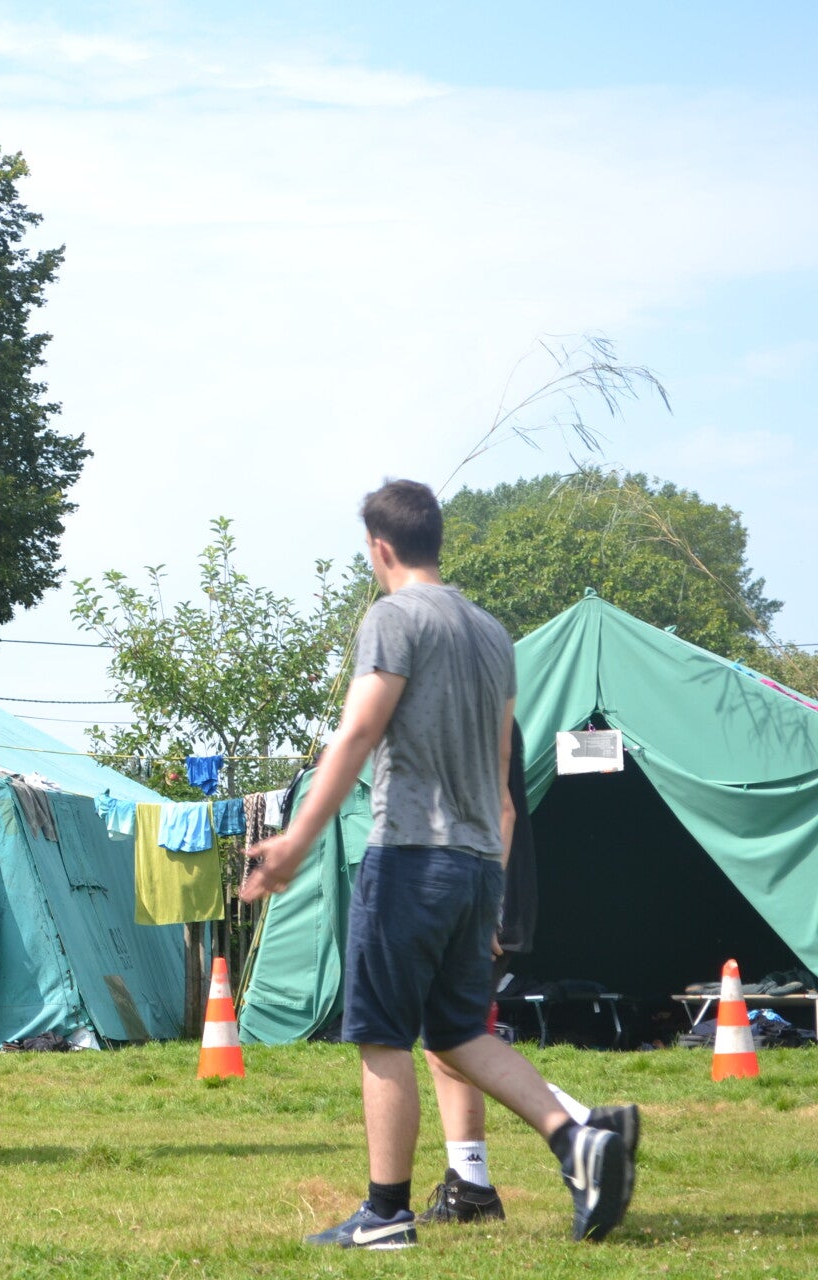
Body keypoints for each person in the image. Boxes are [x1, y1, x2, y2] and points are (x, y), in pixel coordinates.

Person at [241, 479, 636, 1249]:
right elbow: (502, 779)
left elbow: (358, 734)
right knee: (456, 1031)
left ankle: (385, 1214)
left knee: (382, 1034)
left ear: (379, 547)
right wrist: (493, 895)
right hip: (478, 865)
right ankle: (578, 1139)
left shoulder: (392, 618)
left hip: (411, 857)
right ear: (435, 540)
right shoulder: (491, 634)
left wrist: (296, 839)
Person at [419, 719, 639, 1223]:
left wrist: (481, 907)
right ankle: (471, 1189)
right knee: (446, 1042)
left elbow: (499, 808)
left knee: (453, 1040)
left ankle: (585, 1130)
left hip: (475, 902)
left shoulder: (464, 699)